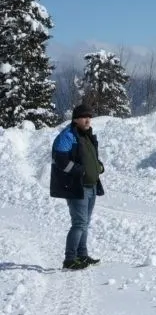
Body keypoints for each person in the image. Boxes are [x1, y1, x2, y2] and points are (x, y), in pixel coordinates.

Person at [50, 104, 105, 270]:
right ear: (75, 119)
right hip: (77, 186)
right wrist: (80, 172)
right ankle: (70, 259)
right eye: (84, 117)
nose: (88, 119)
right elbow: (60, 161)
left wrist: (98, 166)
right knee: (79, 223)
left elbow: (90, 157)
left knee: (85, 223)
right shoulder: (67, 136)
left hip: (91, 186)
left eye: (89, 116)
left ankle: (82, 255)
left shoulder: (87, 135)